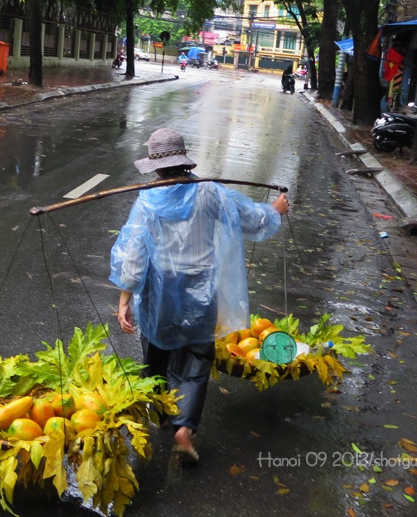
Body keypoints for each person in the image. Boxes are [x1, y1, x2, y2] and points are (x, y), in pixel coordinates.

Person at [109, 128, 289, 464]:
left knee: (156, 354)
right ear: (184, 160)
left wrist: (124, 299)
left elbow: (134, 255)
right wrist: (275, 209)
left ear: (156, 167)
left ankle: (162, 412)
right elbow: (250, 220)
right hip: (200, 292)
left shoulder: (148, 199)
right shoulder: (209, 192)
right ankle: (184, 429)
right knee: (195, 361)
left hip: (158, 293)